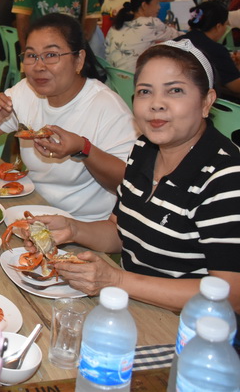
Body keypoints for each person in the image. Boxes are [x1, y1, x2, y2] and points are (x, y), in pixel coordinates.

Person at [25, 41, 240, 313]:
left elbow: (231, 295)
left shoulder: (226, 176)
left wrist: (116, 280)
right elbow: (120, 232)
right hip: (131, 306)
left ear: (206, 101)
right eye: (145, 92)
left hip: (188, 325)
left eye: (175, 90)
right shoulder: (144, 149)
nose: (156, 104)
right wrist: (72, 229)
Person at [0, 13, 136, 221]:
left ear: (79, 60)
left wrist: (83, 149)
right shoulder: (26, 91)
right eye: (31, 56)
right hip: (30, 208)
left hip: (83, 223)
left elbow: (129, 182)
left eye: (51, 55)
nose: (39, 66)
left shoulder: (107, 106)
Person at [105, 0, 179, 72]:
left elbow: (107, 56)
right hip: (137, 79)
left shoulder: (115, 26)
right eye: (157, 3)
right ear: (144, 5)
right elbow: (178, 36)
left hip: (113, 79)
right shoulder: (151, 23)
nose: (159, 7)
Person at [177, 1, 240, 98]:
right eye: (225, 25)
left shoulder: (177, 41)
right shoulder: (215, 50)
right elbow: (236, 86)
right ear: (218, 26)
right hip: (199, 101)